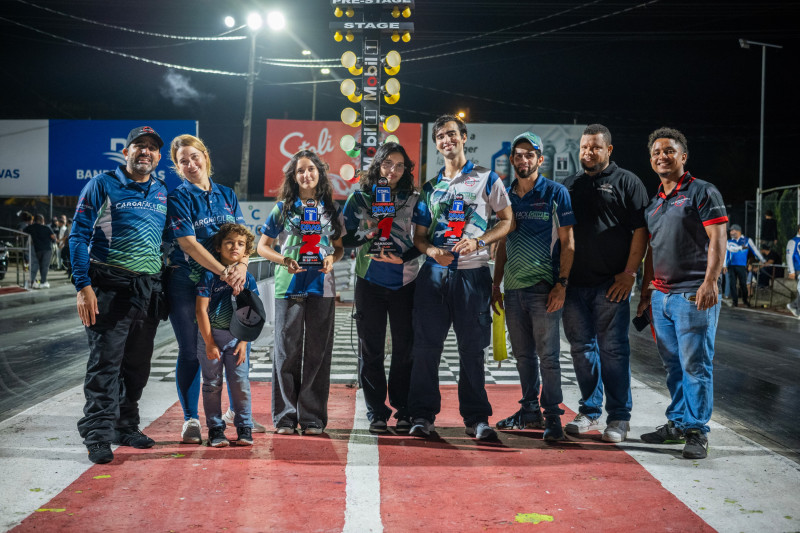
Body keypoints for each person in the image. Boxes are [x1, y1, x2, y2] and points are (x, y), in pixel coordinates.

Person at [406, 114, 515, 441]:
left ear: (464, 137)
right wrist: (430, 252)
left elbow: (507, 221)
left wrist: (480, 241)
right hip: (435, 276)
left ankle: (477, 419)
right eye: (440, 136)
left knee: (471, 350)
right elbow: (419, 238)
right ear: (437, 143)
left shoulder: (486, 178)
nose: (446, 140)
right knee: (426, 349)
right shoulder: (430, 188)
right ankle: (422, 417)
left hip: (473, 277)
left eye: (452, 134)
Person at [69, 126, 169, 464]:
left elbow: (170, 241)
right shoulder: (102, 184)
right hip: (109, 288)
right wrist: (83, 287)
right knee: (105, 365)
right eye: (139, 146)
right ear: (125, 151)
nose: (145, 152)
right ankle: (97, 434)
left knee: (137, 366)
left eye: (152, 148)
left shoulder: (161, 190)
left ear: (159, 156)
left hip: (147, 291)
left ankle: (125, 426)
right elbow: (78, 237)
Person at [637, 127, 728, 460]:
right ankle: (677, 424)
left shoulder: (702, 192)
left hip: (693, 294)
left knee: (696, 365)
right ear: (651, 160)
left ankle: (697, 431)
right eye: (657, 152)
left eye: (670, 151)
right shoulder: (654, 203)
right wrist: (647, 293)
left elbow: (718, 240)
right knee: (673, 366)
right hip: (661, 297)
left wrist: (710, 282)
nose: (663, 156)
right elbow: (651, 250)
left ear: (683, 156)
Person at [165, 134, 262, 445]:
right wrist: (225, 272)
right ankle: (192, 420)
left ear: (205, 156)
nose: (191, 164)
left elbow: (243, 238)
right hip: (188, 285)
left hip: (229, 286)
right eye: (183, 161)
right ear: (177, 167)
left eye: (195, 157)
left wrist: (243, 268)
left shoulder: (226, 194)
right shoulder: (177, 198)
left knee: (235, 347)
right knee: (193, 352)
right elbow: (188, 244)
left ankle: (237, 414)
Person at [561, 124, 649, 443]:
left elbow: (641, 231)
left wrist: (630, 274)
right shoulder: (569, 185)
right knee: (582, 351)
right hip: (573, 287)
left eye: (595, 147)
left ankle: (619, 418)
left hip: (611, 285)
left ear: (608, 150)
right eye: (584, 147)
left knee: (613, 351)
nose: (588, 152)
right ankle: (590, 410)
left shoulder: (628, 182)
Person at [490, 132, 575, 441]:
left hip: (543, 288)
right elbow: (501, 244)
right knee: (523, 356)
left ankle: (553, 417)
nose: (523, 160)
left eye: (530, 155)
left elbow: (569, 243)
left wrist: (561, 284)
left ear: (540, 159)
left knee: (549, 356)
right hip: (512, 291)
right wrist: (496, 284)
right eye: (519, 155)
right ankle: (529, 412)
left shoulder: (555, 192)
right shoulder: (505, 195)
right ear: (512, 159)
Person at [257, 150, 344, 435]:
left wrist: (333, 259)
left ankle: (312, 418)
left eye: (310, 169)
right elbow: (262, 247)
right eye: (300, 171)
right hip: (288, 286)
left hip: (322, 287)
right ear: (293, 177)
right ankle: (285, 416)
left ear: (320, 173)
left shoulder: (332, 210)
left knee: (317, 354)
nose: (306, 175)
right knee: (286, 352)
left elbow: (339, 247)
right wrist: (284, 260)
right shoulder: (283, 208)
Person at [342, 142, 421, 433]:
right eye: (388, 163)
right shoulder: (361, 198)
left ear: (406, 169)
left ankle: (404, 410)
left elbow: (423, 240)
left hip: (406, 282)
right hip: (370, 281)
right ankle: (376, 411)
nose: (393, 170)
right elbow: (344, 238)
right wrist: (368, 232)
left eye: (400, 165)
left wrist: (404, 257)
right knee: (371, 349)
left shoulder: (414, 198)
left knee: (405, 349)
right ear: (378, 165)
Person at [195, 223, 258, 447]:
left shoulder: (247, 278)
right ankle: (215, 429)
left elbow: (254, 312)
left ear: (246, 251)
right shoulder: (209, 275)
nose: (235, 247)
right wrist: (210, 342)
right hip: (211, 339)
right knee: (212, 384)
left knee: (239, 383)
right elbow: (201, 310)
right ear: (219, 248)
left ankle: (244, 426)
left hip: (237, 340)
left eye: (241, 244)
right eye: (229, 242)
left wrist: (244, 342)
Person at [723, 224, 764, 308]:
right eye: (730, 231)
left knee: (743, 284)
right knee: (732, 284)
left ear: (738, 231)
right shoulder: (729, 242)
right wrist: (724, 265)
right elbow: (726, 253)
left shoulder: (747, 240)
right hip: (731, 265)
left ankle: (745, 300)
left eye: (732, 230)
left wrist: (762, 260)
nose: (731, 232)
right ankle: (735, 302)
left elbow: (754, 250)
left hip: (742, 266)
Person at [23, 214, 56, 289]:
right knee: (44, 266)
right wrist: (53, 241)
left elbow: (23, 231)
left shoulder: (31, 227)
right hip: (47, 249)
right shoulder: (47, 228)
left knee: (35, 265)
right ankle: (43, 282)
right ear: (42, 220)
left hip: (37, 249)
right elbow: (53, 237)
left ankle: (32, 281)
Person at [786, 226, 800, 317]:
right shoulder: (793, 241)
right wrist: (791, 271)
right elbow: (789, 256)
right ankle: (794, 306)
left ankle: (794, 306)